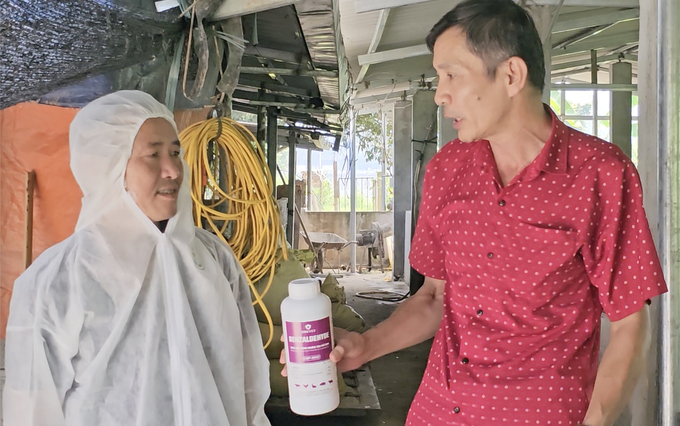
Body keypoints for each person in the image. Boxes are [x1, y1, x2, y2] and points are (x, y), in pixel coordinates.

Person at [282, 1, 669, 425]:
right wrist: (366, 345)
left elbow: (631, 323)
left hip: (539, 414)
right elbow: (433, 297)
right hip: (441, 409)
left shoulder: (599, 174)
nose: (439, 93)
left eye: (451, 75)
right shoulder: (449, 169)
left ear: (511, 75)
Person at [3, 90, 271, 426]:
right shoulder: (59, 280)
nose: (173, 169)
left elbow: (247, 380)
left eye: (176, 152)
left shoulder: (212, 258)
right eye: (153, 155)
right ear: (110, 168)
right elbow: (29, 410)